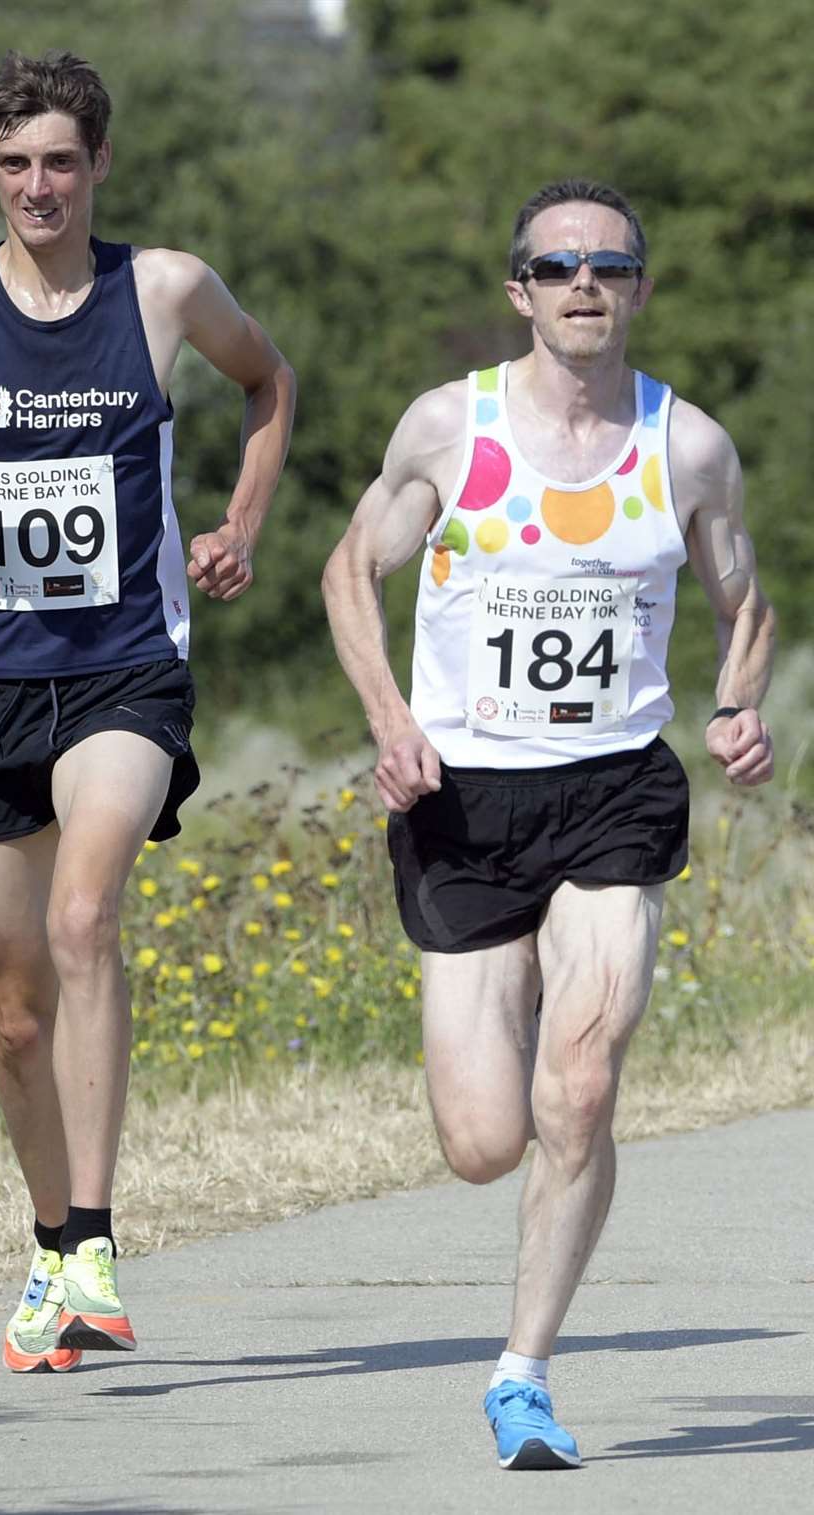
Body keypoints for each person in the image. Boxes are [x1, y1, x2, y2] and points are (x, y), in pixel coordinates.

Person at [0, 49, 295, 1374]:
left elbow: (268, 384)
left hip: (124, 672)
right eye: (15, 165)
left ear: (100, 164)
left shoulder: (160, 289)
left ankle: (95, 1236)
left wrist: (239, 526)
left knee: (84, 912)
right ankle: (50, 1247)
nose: (39, 187)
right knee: (14, 1012)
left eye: (61, 161)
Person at [322, 178, 773, 1469]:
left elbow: (744, 596)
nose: (587, 284)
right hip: (462, 798)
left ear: (640, 287)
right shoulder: (448, 429)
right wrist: (388, 718)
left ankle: (524, 1375)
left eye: (612, 267)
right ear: (520, 289)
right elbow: (349, 566)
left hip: (613, 791)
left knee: (580, 1084)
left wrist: (738, 702)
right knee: (480, 1144)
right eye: (559, 265)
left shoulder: (685, 445)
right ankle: (508, 1029)